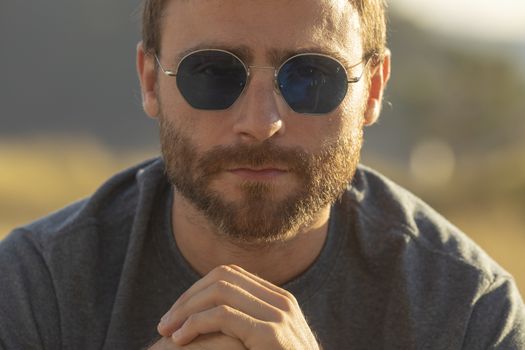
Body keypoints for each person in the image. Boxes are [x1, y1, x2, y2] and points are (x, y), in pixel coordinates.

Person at [1, 0, 524, 348]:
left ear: (373, 89)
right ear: (149, 81)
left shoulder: (468, 311)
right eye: (211, 73)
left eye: (311, 78)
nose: (260, 123)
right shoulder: (34, 286)